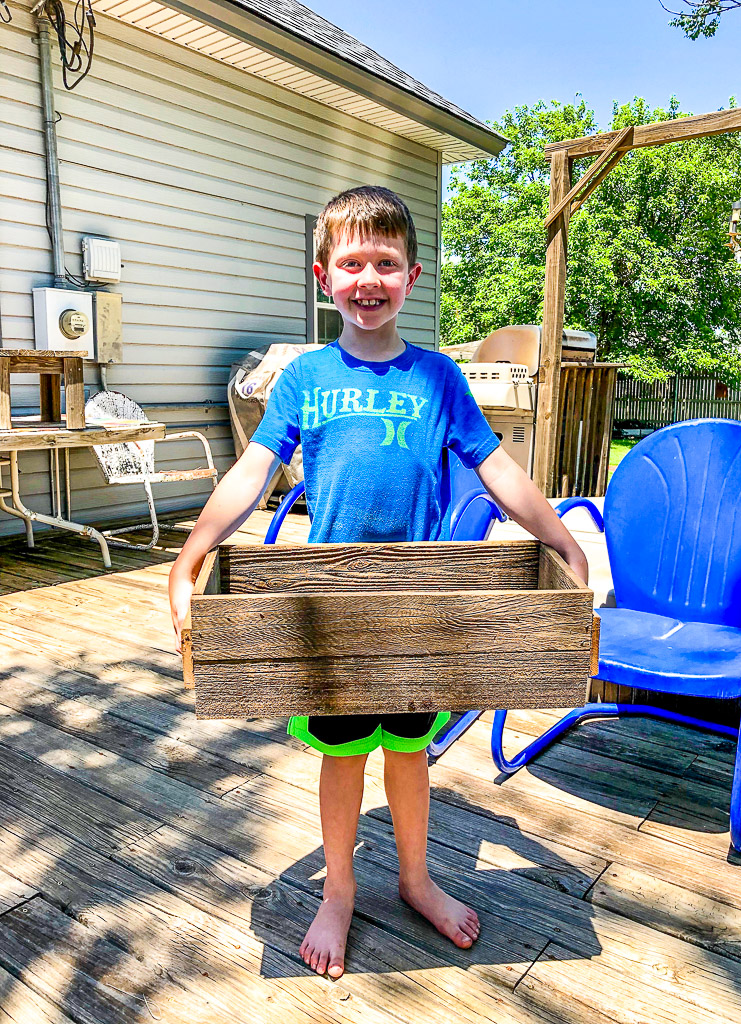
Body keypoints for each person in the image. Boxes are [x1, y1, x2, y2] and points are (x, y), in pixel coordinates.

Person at [169, 185, 588, 981]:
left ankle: (416, 878)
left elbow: (497, 469)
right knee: (342, 756)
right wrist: (190, 555)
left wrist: (562, 537)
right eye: (352, 262)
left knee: (408, 752)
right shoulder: (303, 379)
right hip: (328, 610)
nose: (369, 278)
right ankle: (338, 888)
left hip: (416, 607)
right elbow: (252, 473)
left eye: (386, 263)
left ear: (413, 275)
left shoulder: (438, 379)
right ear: (324, 275)